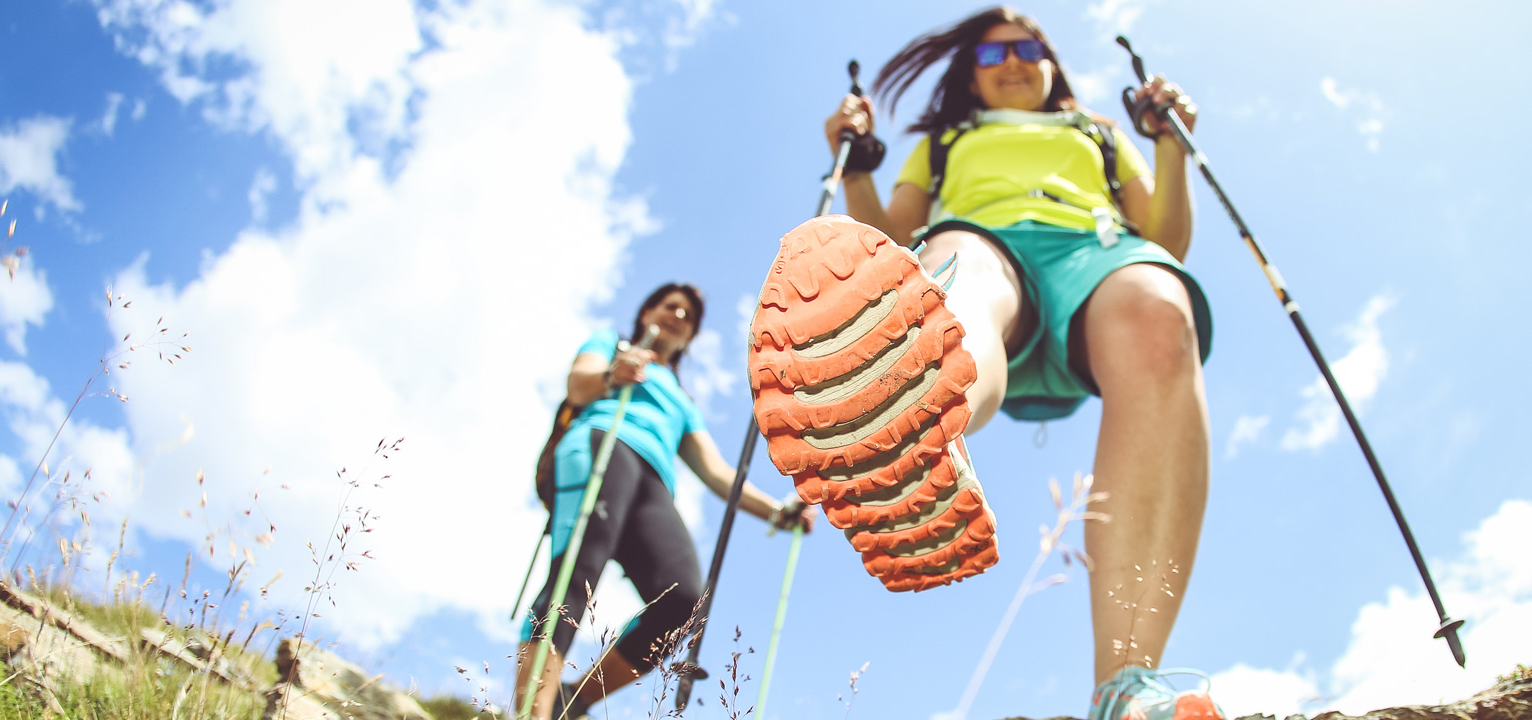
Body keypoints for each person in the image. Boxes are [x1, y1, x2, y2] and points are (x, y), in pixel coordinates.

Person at [747, 7, 1223, 719]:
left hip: (1095, 261)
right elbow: (893, 238)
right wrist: (858, 157)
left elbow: (1166, 238)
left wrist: (1168, 144)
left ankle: (1127, 691)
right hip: (982, 248)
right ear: (971, 73)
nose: (1013, 60)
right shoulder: (946, 141)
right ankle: (910, 413)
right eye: (994, 53)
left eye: (1030, 47)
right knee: (954, 269)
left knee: (1161, 307)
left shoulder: (1098, 131)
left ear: (1052, 63)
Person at [516, 282, 815, 720]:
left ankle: (570, 701)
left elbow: (716, 473)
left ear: (690, 337)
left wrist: (777, 511)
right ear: (645, 313)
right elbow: (578, 387)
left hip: (652, 484)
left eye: (687, 316)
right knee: (575, 572)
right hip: (601, 443)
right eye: (668, 306)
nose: (677, 315)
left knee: (682, 600)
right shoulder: (612, 344)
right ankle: (530, 713)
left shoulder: (681, 398)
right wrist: (611, 375)